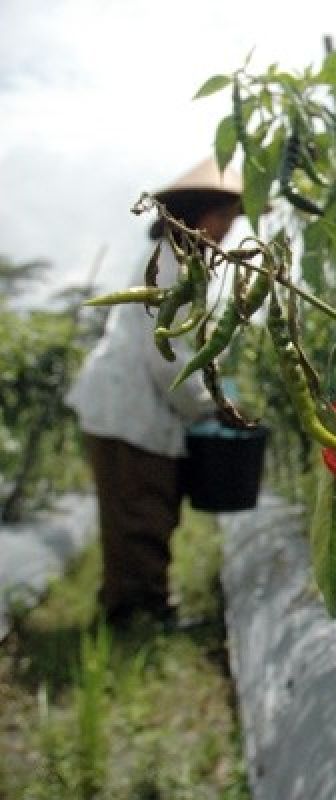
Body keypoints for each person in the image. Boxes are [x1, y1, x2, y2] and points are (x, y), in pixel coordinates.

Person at [66, 158, 244, 627]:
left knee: (150, 508)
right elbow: (166, 358)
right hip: (128, 411)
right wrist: (213, 407)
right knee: (139, 513)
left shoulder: (180, 264)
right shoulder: (169, 267)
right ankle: (134, 617)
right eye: (224, 218)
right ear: (198, 214)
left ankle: (144, 607)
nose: (227, 230)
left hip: (138, 410)